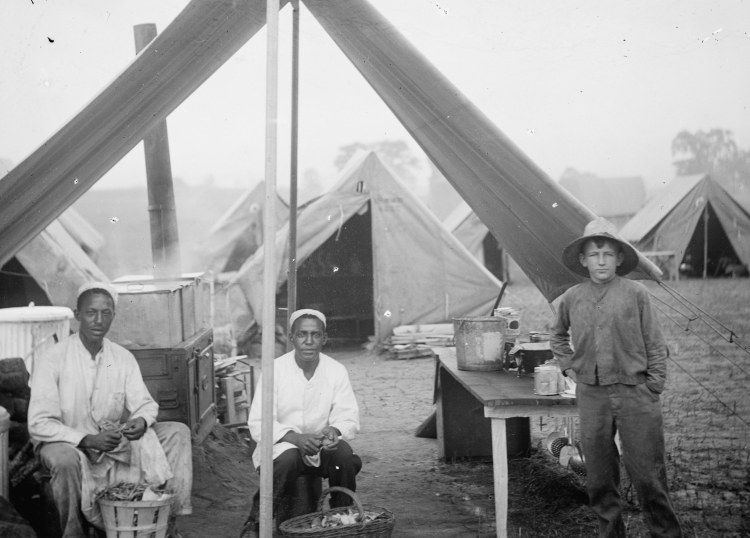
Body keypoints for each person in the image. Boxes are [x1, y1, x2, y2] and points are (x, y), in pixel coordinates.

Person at [550, 218, 683, 537]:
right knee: (599, 478)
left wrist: (654, 385)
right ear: (583, 260)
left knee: (648, 476)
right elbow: (556, 335)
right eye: (594, 255)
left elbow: (654, 341)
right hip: (592, 396)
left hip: (635, 394)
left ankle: (664, 533)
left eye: (608, 254)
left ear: (619, 258)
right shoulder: (572, 297)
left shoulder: (636, 294)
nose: (601, 261)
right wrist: (568, 365)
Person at [28, 282, 193, 538]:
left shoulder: (122, 357)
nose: (99, 320)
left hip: (111, 443)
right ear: (77, 315)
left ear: (113, 316)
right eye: (91, 312)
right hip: (66, 442)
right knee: (64, 460)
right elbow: (39, 423)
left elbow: (146, 404)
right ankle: (73, 532)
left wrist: (141, 420)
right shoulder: (53, 358)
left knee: (177, 432)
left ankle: (164, 521)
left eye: (106, 313)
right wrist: (88, 439)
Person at [241, 309, 361, 537]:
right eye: (302, 334)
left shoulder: (336, 371)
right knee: (288, 459)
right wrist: (296, 438)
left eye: (315, 335)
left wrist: (334, 431)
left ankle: (342, 518)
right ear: (291, 337)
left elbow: (348, 414)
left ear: (324, 339)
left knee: (344, 456)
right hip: (282, 446)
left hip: (320, 446)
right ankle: (256, 521)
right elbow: (258, 421)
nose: (308, 341)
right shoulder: (274, 371)